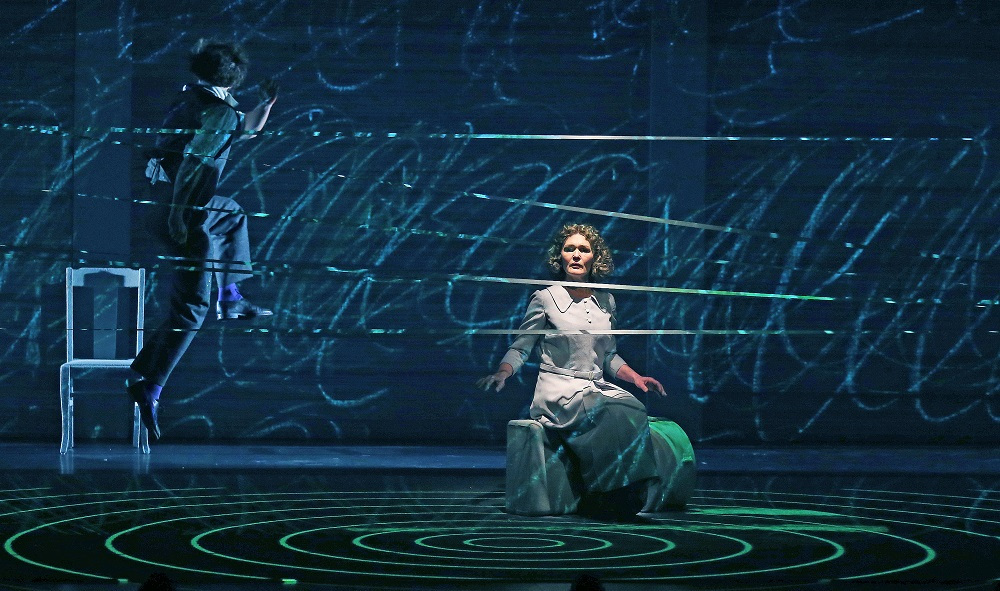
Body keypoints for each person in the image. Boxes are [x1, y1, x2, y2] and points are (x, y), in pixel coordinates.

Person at [127, 39, 278, 440]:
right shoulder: (217, 111)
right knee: (192, 307)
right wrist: (180, 215)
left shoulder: (194, 100)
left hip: (169, 205)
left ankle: (230, 298)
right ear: (235, 76)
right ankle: (150, 385)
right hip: (183, 209)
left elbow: (245, 129)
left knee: (230, 213)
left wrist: (266, 106)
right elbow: (194, 163)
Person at [477, 223, 667, 520]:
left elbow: (609, 356)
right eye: (570, 249)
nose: (576, 255)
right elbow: (521, 347)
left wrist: (636, 378)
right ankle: (603, 492)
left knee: (633, 406)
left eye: (584, 249)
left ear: (595, 258)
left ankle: (631, 488)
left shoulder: (606, 300)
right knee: (607, 411)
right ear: (560, 257)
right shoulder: (545, 298)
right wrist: (503, 372)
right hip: (559, 390)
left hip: (595, 386)